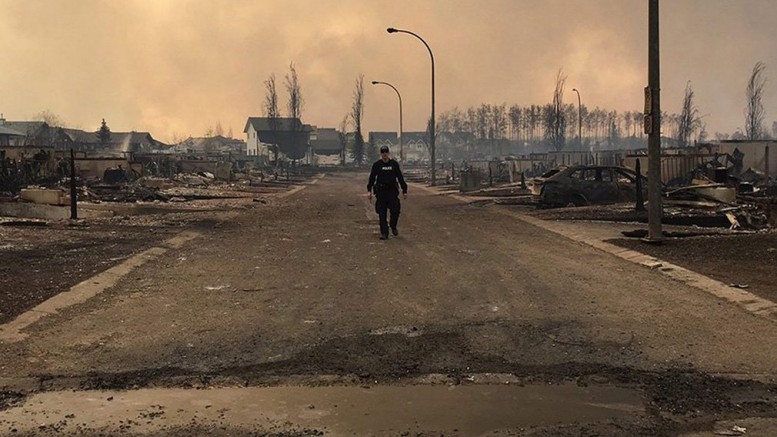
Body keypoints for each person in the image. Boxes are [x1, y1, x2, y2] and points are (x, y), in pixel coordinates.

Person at [367, 145, 408, 240]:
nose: (384, 154)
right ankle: (384, 233)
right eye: (383, 152)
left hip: (392, 192)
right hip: (381, 192)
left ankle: (393, 226)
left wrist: (404, 190)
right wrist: (369, 190)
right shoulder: (377, 165)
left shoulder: (394, 164)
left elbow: (400, 177)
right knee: (382, 213)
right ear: (381, 154)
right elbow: (372, 178)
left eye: (386, 152)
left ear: (388, 153)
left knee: (396, 210)